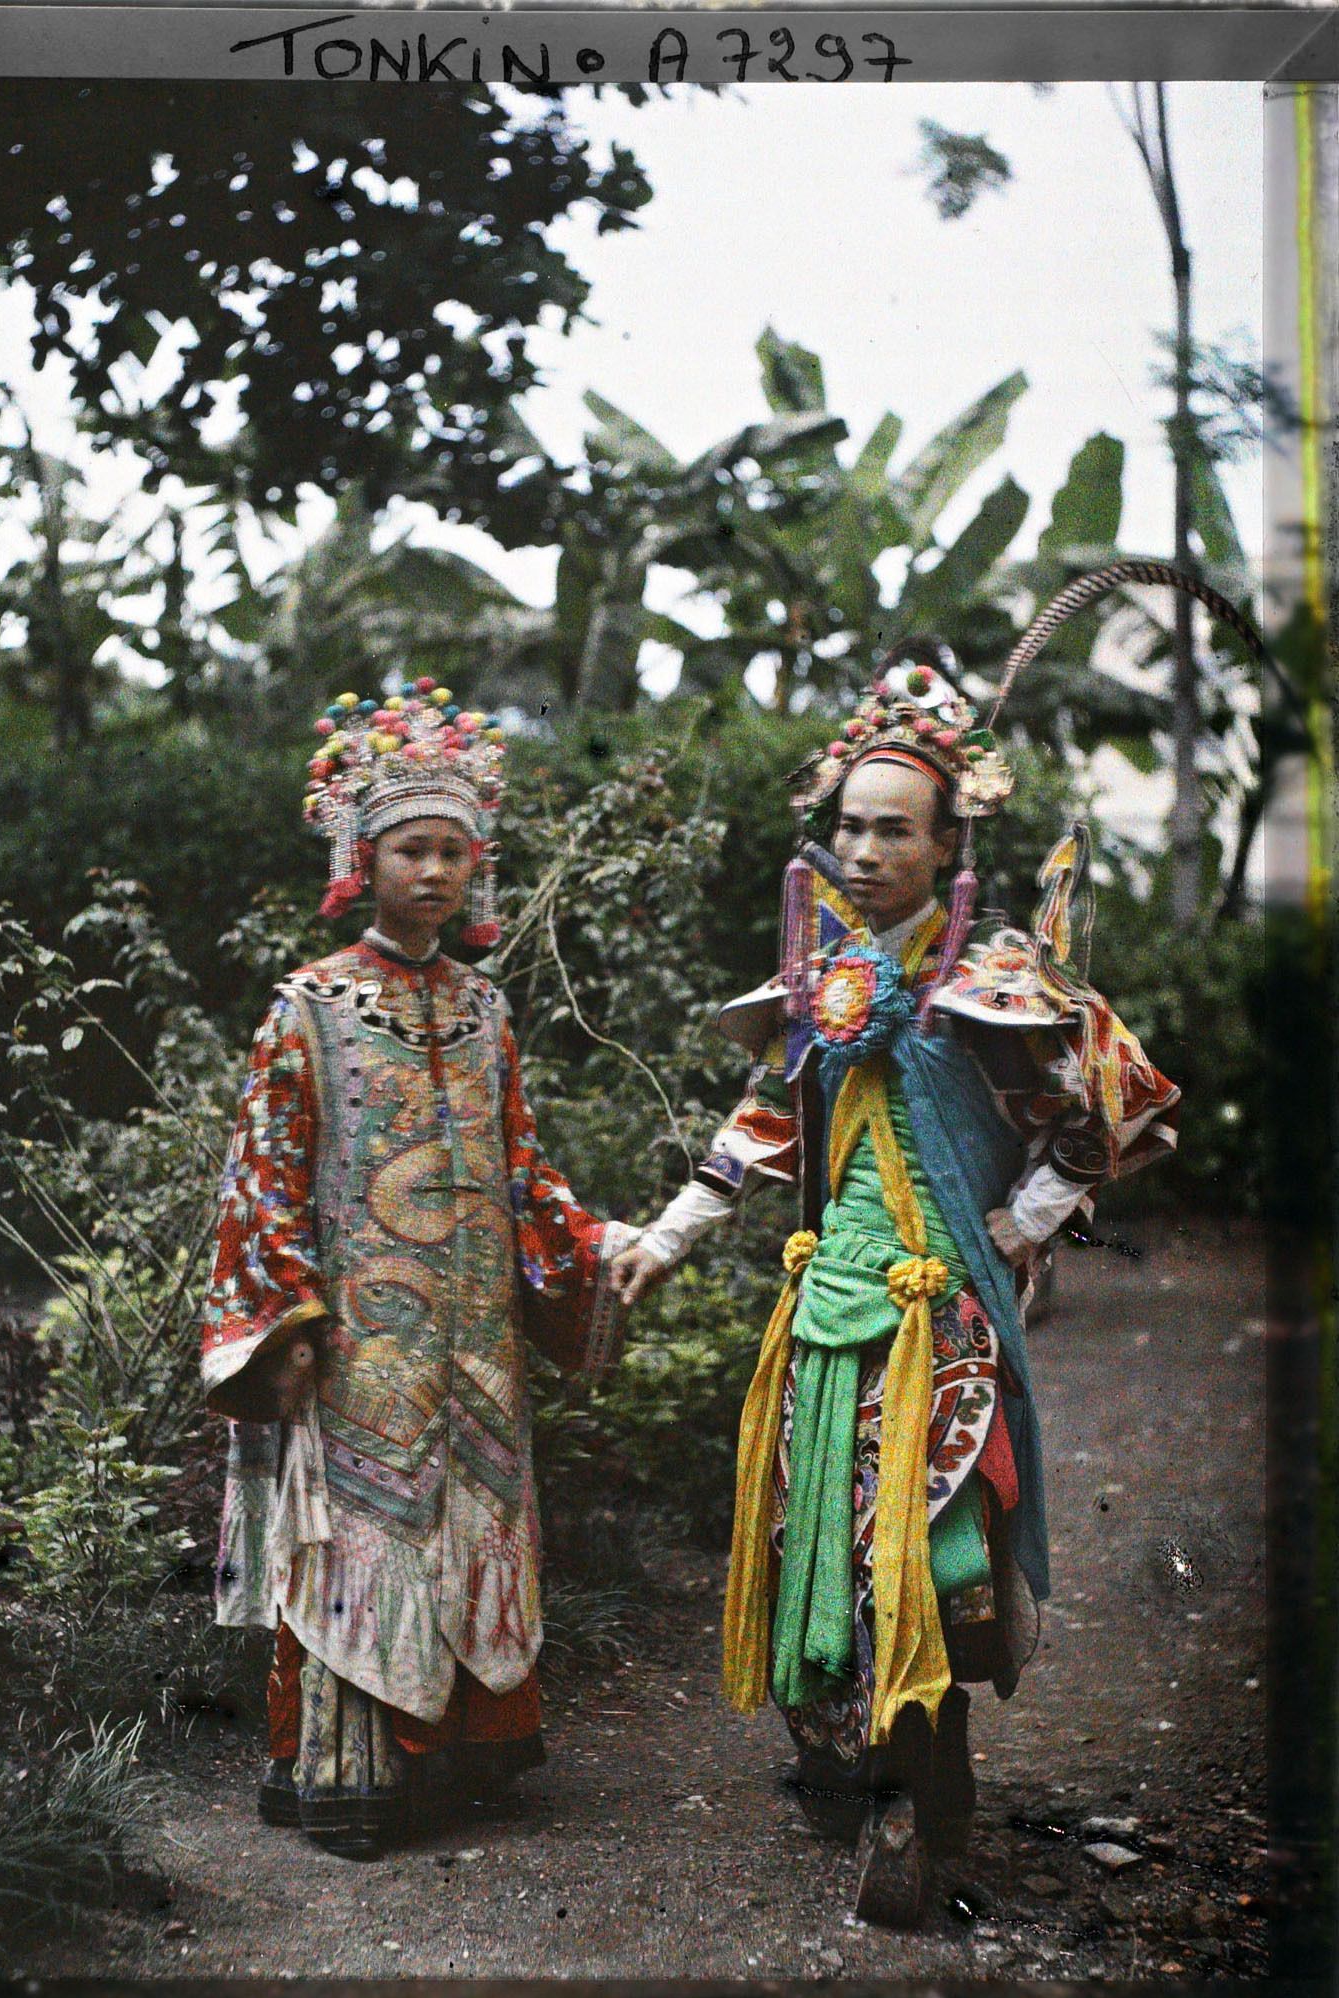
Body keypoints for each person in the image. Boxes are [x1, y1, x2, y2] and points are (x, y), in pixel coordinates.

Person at [610, 569, 1213, 1926]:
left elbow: (1107, 1117)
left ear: (946, 843)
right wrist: (668, 1233)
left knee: (937, 1567)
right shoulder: (815, 979)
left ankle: (919, 1803)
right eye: (846, 826)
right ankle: (855, 1769)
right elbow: (761, 1121)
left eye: (892, 830)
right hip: (826, 1320)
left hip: (944, 1326)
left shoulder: (999, 978)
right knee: (812, 1542)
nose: (864, 849)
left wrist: (1019, 1221)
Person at [201, 679, 633, 1859]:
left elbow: (523, 1168)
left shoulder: (488, 1007)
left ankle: (471, 1761)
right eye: (409, 848)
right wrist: (281, 1322)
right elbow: (263, 1174)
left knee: (468, 1515)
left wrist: (591, 1250)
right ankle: (348, 1776)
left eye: (453, 849)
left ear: (476, 866)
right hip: (358, 1342)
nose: (433, 871)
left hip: (477, 1336)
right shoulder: (308, 1007)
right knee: (363, 1529)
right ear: (361, 855)